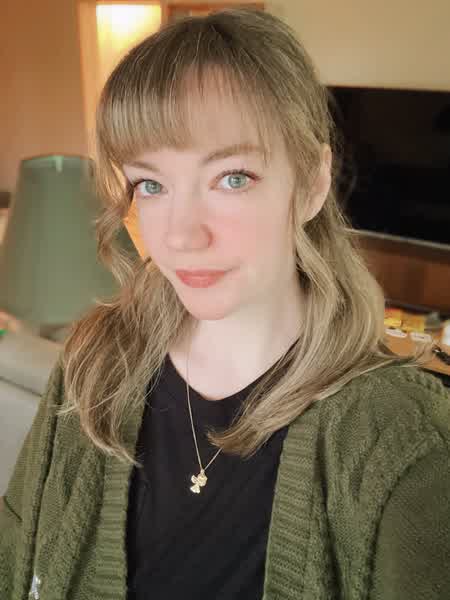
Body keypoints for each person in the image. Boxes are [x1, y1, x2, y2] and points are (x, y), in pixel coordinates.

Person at [1, 8, 449, 600]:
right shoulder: (93, 363)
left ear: (313, 183)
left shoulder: (404, 440)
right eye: (151, 184)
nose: (182, 236)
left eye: (232, 178)